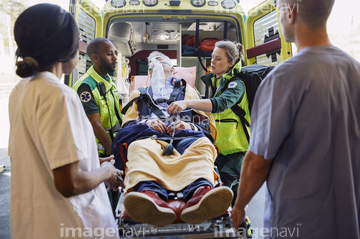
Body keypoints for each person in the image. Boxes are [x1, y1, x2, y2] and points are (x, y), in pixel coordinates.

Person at [231, 0, 360, 238]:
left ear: (290, 12)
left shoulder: (282, 78)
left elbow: (257, 161)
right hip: (349, 222)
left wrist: (239, 207)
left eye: (280, 9)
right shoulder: (354, 70)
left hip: (296, 225)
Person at [9, 4, 124, 239]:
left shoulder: (21, 90)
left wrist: (92, 161)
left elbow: (43, 158)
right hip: (69, 226)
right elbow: (69, 183)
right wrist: (105, 171)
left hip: (35, 225)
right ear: (67, 48)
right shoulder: (60, 95)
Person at [112, 51, 233, 227]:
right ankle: (149, 195)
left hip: (186, 138)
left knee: (204, 145)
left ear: (173, 69)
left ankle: (201, 192)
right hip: (150, 139)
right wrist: (146, 124)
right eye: (153, 63)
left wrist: (190, 126)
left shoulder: (188, 91)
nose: (158, 65)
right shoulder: (139, 94)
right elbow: (125, 130)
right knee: (137, 148)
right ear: (149, 72)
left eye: (162, 62)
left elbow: (206, 127)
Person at [167, 40, 248, 204]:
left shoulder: (236, 85)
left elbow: (219, 104)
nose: (212, 62)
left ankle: (240, 227)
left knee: (224, 196)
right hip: (219, 150)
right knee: (224, 194)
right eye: (212, 57)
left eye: (218, 59)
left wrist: (187, 103)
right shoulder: (216, 82)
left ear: (231, 63)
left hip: (237, 153)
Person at [72, 37, 122, 157]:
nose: (115, 58)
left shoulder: (108, 82)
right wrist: (115, 155)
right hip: (96, 155)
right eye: (110, 54)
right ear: (96, 57)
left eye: (114, 53)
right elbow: (96, 125)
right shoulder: (86, 87)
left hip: (112, 147)